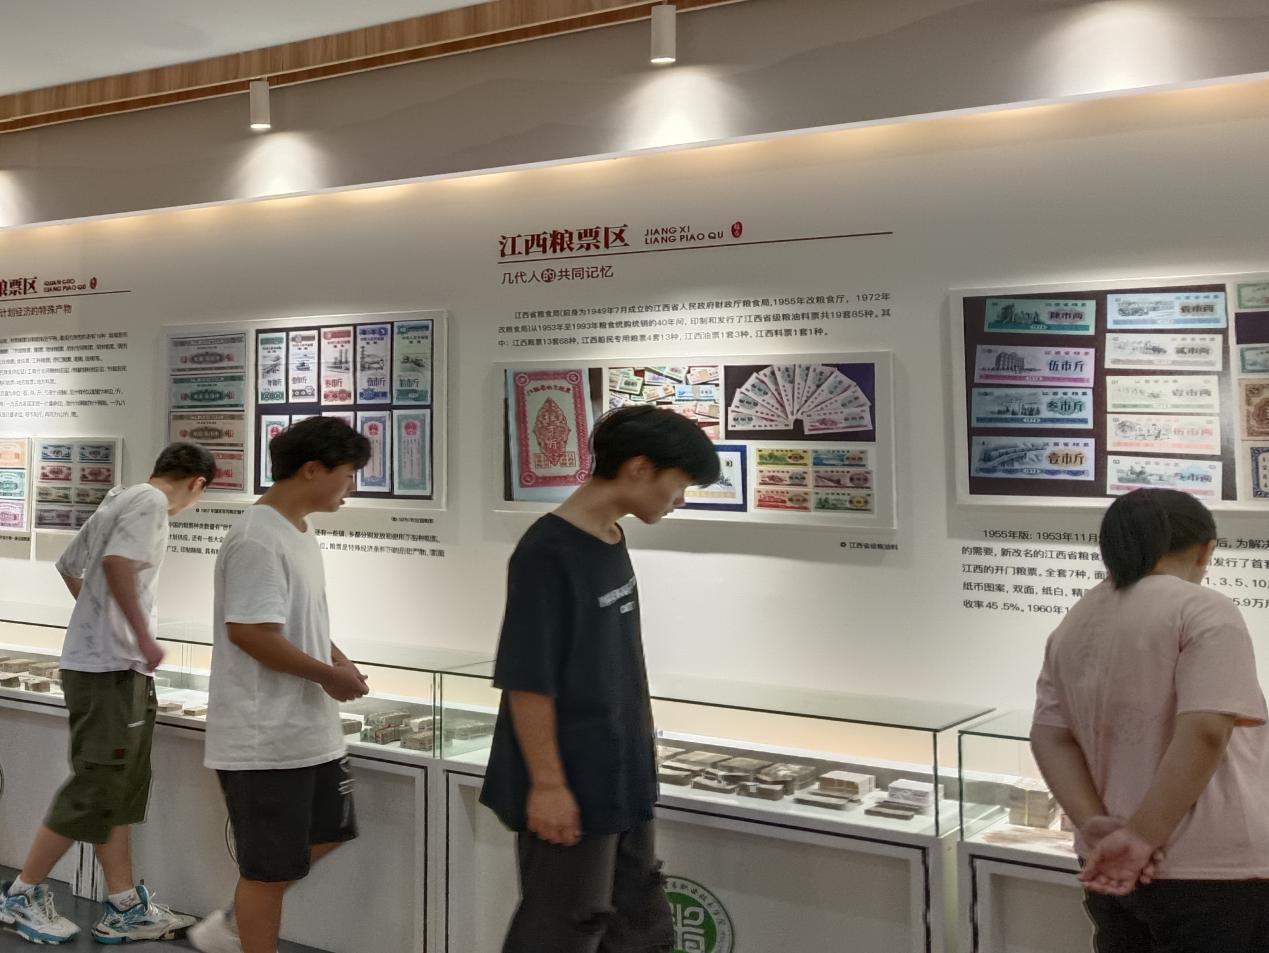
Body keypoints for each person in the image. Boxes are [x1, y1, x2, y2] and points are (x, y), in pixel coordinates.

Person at [481, 405, 720, 953]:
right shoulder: (548, 552)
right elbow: (527, 680)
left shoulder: (611, 537)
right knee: (563, 928)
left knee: (640, 928)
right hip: (572, 777)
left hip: (622, 769)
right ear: (639, 468)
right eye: (680, 484)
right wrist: (548, 785)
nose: (680, 499)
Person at [1031, 488, 1269, 953]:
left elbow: (1050, 738)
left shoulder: (1077, 619)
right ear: (1205, 550)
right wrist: (1141, 837)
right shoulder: (1203, 609)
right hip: (1215, 866)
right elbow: (1206, 731)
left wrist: (1093, 824)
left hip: (1111, 862)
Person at [0, 442, 215, 945]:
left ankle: (122, 904)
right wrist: (139, 636)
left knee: (119, 787)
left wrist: (100, 620)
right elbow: (118, 565)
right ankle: (22, 894)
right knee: (96, 786)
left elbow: (68, 565)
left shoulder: (119, 498)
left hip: (112, 667)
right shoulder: (152, 503)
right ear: (197, 483)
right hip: (110, 670)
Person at [189, 417, 371, 953]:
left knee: (330, 833)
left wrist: (338, 659)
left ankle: (231, 922)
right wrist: (330, 676)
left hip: (307, 729)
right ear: (312, 470)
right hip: (263, 737)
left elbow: (296, 618)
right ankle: (238, 930)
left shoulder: (298, 531)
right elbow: (249, 633)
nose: (351, 487)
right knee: (268, 871)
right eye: (348, 474)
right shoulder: (257, 538)